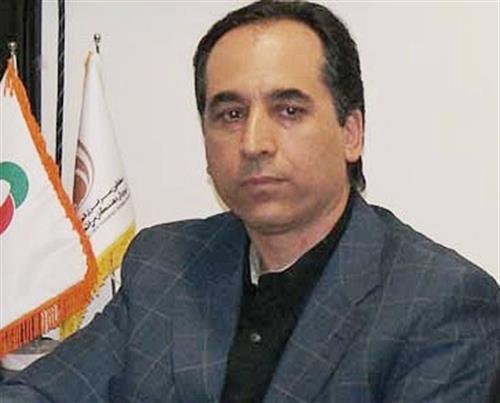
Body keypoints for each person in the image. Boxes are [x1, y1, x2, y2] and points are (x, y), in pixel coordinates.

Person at [1, 1, 499, 402]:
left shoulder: (441, 304)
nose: (254, 142)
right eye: (231, 114)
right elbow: (38, 391)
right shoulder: (165, 265)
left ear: (351, 133)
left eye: (289, 110)